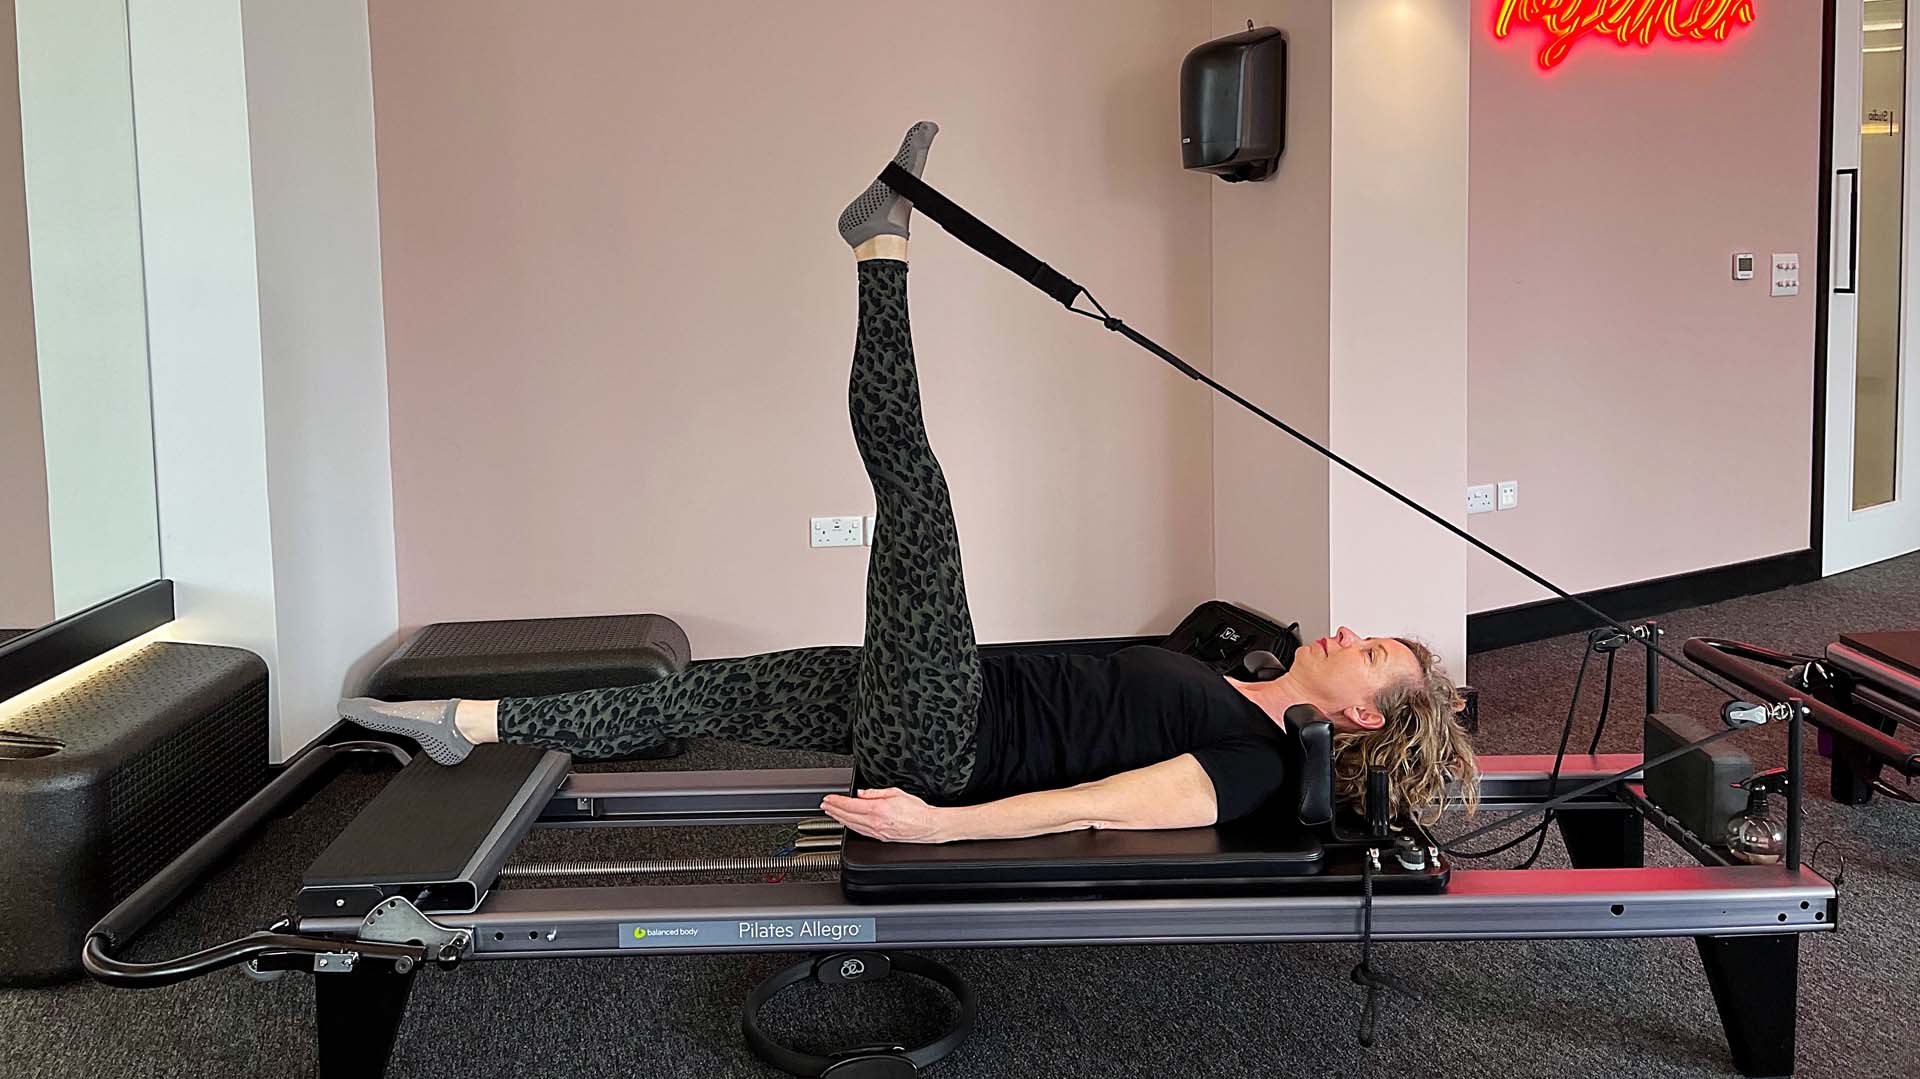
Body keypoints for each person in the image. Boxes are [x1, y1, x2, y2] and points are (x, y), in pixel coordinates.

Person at [341, 122, 1479, 844]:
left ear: (1360, 713)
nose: (1347, 628)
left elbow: (1099, 801)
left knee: (914, 490)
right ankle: (468, 720)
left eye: (1370, 647)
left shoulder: (1259, 763)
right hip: (941, 693)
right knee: (711, 692)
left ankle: (878, 249)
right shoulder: (1238, 677)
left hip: (948, 741)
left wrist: (944, 827)